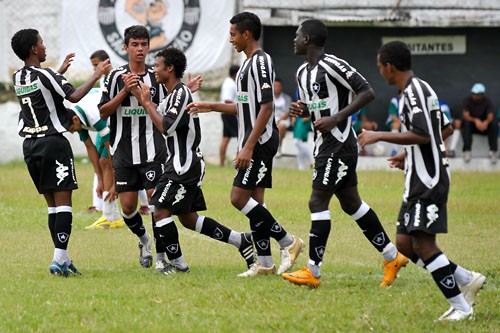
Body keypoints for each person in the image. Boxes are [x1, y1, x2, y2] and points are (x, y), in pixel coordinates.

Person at [358, 40, 486, 321]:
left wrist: (379, 135)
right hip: (417, 177)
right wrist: (408, 153)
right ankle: (466, 278)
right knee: (404, 243)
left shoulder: (413, 93)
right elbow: (445, 128)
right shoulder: (418, 90)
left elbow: (424, 134)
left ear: (390, 67)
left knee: (424, 245)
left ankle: (462, 308)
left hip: (428, 179)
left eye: (381, 67)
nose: (381, 72)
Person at [281, 19, 408, 289]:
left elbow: (367, 91)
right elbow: (317, 109)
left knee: (317, 203)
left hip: (339, 144)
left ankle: (313, 271)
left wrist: (337, 117)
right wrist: (302, 111)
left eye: (297, 35)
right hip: (325, 145)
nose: (294, 40)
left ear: (308, 39)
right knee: (352, 204)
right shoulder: (302, 72)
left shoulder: (334, 65)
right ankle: (392, 256)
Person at [187, 12, 304, 277]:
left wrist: (248, 147)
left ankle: (288, 241)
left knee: (238, 198)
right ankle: (264, 264)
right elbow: (244, 108)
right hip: (254, 140)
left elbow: (266, 107)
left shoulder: (261, 62)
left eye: (233, 34)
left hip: (260, 142)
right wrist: (209, 106)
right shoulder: (247, 64)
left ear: (246, 34)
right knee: (256, 203)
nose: (231, 40)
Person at [130, 47, 256, 274]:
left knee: (159, 211)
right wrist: (142, 98)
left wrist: (147, 102)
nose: (154, 70)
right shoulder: (174, 95)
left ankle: (179, 265)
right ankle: (241, 240)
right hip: (179, 163)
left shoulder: (180, 94)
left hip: (184, 165)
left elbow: (166, 127)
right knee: (188, 219)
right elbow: (161, 115)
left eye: (157, 66)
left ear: (170, 68)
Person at [98, 25, 201, 270]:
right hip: (123, 151)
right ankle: (144, 240)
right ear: (125, 47)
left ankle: (162, 258)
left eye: (144, 44)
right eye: (135, 44)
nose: (140, 49)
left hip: (154, 149)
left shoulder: (155, 76)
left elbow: (168, 103)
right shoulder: (115, 77)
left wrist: (187, 91)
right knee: (128, 208)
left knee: (157, 205)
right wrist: (125, 91)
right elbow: (103, 112)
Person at [11, 28, 110, 276]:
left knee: (52, 207)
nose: (45, 47)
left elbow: (42, 88)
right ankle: (58, 259)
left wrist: (59, 73)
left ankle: (63, 260)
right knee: (63, 203)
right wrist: (96, 74)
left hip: (30, 147)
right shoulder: (46, 75)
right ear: (34, 49)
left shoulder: (18, 78)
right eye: (41, 43)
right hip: (53, 143)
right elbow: (74, 96)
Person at [460, 83, 498, 164]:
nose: (474, 96)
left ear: (482, 95)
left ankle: (493, 151)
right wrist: (476, 121)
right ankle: (467, 151)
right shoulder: (467, 100)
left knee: (494, 124)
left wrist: (486, 122)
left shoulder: (488, 101)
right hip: (473, 126)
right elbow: (465, 115)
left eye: (477, 94)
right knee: (466, 123)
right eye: (473, 93)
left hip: (485, 126)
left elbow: (491, 115)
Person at [219, 64, 239, 166]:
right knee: (241, 136)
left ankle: (222, 163)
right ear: (236, 74)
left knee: (226, 138)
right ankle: (237, 161)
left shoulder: (229, 82)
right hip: (229, 114)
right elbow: (228, 101)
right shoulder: (230, 85)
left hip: (225, 114)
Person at [274, 78, 292, 156]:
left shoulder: (287, 98)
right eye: (275, 86)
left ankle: (278, 148)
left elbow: (288, 112)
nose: (277, 88)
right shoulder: (269, 98)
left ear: (281, 87)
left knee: (281, 125)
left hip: (283, 120)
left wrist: (278, 120)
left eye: (278, 86)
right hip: (271, 120)